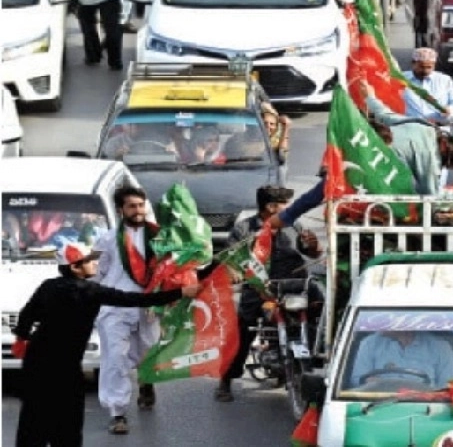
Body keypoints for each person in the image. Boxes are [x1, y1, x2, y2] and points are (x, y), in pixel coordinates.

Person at [13, 242, 199, 447]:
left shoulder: (47, 286)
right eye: (90, 260)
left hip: (36, 363)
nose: (95, 263)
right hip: (65, 369)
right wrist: (180, 292)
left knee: (32, 424)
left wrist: (22, 338)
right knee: (67, 428)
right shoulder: (90, 291)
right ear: (75, 267)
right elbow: (136, 299)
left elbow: (26, 316)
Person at [215, 186, 321, 402]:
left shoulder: (294, 225)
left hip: (294, 283)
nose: (289, 209)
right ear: (271, 207)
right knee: (243, 329)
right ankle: (226, 380)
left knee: (319, 313)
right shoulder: (244, 229)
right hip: (260, 286)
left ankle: (317, 366)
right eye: (285, 204)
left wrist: (313, 247)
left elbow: (310, 252)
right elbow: (231, 259)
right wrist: (234, 271)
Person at [92, 186, 166, 435]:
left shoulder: (159, 237)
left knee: (148, 353)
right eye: (132, 206)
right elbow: (97, 273)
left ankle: (146, 382)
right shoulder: (108, 239)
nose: (137, 210)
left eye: (140, 205)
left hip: (148, 306)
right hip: (115, 307)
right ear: (120, 209)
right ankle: (118, 412)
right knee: (115, 358)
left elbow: (170, 271)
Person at [362, 83, 442, 195]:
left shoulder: (422, 128)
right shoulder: (428, 152)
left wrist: (370, 97)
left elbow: (385, 115)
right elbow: (429, 194)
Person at [349, 330, 453, 387]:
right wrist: (374, 384)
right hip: (377, 408)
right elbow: (357, 381)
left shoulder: (440, 347)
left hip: (426, 412)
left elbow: (449, 387)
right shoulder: (369, 344)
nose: (379, 319)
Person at [403, 47, 453, 124]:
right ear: (413, 63)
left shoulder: (445, 80)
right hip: (409, 126)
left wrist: (450, 110)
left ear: (434, 65)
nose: (425, 71)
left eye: (429, 67)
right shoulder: (401, 79)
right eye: (422, 67)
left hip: (438, 127)